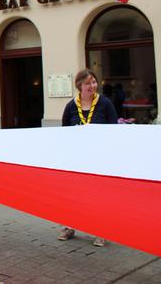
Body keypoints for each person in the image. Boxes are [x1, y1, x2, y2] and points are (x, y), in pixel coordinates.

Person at [58, 68, 117, 247]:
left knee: (98, 195)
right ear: (79, 86)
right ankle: (69, 226)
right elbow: (64, 132)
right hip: (77, 159)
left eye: (93, 82)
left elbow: (115, 130)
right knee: (73, 194)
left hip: (100, 158)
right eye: (88, 83)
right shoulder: (71, 106)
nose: (92, 86)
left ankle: (101, 231)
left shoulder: (105, 104)